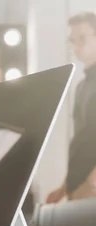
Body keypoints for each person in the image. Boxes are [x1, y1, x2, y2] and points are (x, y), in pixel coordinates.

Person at [47, 11, 96, 203]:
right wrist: (64, 188)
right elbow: (80, 142)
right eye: (72, 40)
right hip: (79, 187)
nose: (76, 46)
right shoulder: (82, 86)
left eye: (82, 39)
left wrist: (91, 184)